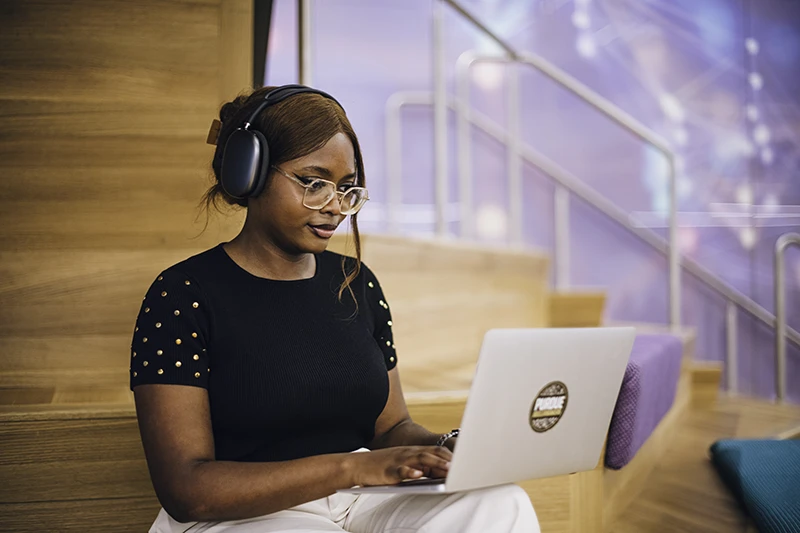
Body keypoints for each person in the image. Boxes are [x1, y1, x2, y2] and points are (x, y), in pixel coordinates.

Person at [130, 84, 540, 533]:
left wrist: (449, 446)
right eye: (313, 182)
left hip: (359, 500)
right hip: (246, 517)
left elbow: (392, 427)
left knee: (501, 504)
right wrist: (352, 468)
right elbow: (187, 490)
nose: (336, 207)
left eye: (347, 189)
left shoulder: (357, 282)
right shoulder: (183, 294)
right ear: (249, 173)